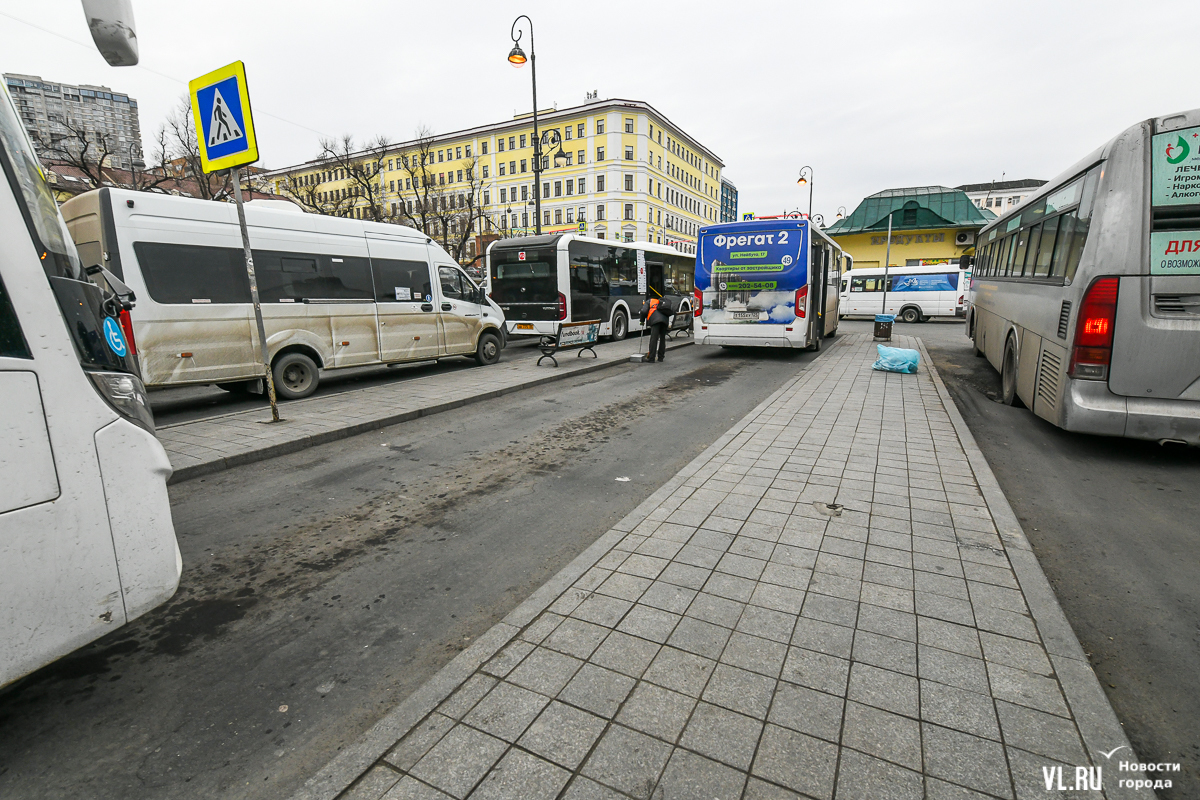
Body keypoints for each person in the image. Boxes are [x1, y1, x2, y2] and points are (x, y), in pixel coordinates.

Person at [640, 293, 674, 363]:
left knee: (654, 339)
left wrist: (642, 321)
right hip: (664, 321)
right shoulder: (662, 302)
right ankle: (661, 357)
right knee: (662, 339)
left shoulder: (649, 301)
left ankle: (651, 358)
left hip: (655, 321)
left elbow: (643, 311)